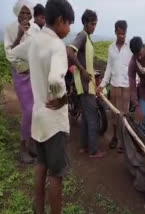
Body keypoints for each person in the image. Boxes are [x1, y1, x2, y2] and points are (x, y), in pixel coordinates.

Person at [28, 0, 74, 213]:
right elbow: (56, 79)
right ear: (59, 20)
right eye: (68, 24)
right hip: (53, 123)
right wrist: (62, 99)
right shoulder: (57, 45)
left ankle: (38, 209)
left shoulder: (35, 40)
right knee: (56, 175)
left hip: (38, 118)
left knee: (41, 166)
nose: (69, 29)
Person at [4, 0, 40, 164]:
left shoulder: (36, 29)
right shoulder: (10, 29)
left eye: (28, 13)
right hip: (21, 74)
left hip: (34, 73)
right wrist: (19, 36)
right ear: (17, 13)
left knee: (36, 110)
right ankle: (23, 148)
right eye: (22, 13)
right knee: (28, 110)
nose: (25, 16)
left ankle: (32, 144)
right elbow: (9, 54)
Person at [67, 9, 104, 158]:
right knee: (93, 117)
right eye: (92, 24)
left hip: (84, 84)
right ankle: (93, 151)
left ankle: (83, 146)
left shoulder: (87, 37)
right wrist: (82, 70)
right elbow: (69, 51)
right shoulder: (82, 35)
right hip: (85, 85)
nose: (94, 27)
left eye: (95, 24)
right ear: (85, 23)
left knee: (86, 117)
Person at [97, 20, 132, 152]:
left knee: (124, 115)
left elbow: (133, 67)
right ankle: (115, 137)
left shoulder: (130, 47)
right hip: (115, 85)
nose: (121, 36)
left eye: (123, 33)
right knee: (114, 114)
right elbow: (109, 68)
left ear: (126, 32)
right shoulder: (111, 48)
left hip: (127, 86)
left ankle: (124, 142)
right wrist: (102, 84)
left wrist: (136, 82)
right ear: (115, 32)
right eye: (119, 33)